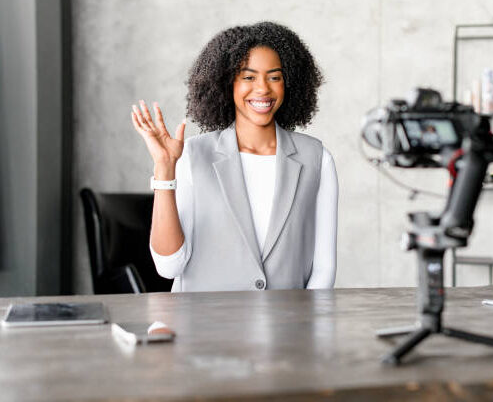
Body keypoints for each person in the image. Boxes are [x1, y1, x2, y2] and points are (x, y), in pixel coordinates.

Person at [131, 22, 338, 292]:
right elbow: (169, 267)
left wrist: (303, 330)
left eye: (274, 77)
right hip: (204, 328)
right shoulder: (191, 156)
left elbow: (323, 270)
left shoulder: (318, 159)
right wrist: (164, 168)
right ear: (227, 82)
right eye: (249, 77)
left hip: (289, 329)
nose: (263, 88)